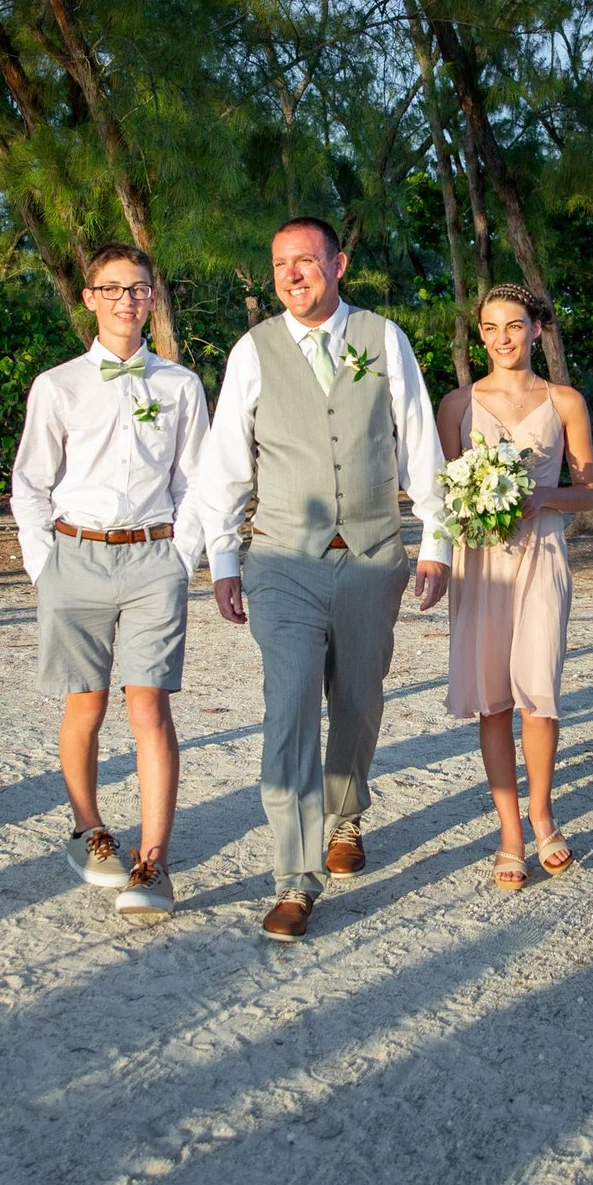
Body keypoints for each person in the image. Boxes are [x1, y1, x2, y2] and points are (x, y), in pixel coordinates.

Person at [189, 217, 451, 941]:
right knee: (291, 706)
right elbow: (226, 466)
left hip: (371, 556)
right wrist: (225, 557)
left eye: (306, 259)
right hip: (281, 560)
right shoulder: (253, 351)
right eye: (280, 263)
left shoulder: (383, 339)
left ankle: (347, 814)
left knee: (360, 702)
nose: (292, 273)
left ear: (340, 264)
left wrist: (439, 541)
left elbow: (418, 437)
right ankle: (294, 877)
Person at [9, 243, 209, 924]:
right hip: (76, 558)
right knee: (85, 705)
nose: (128, 300)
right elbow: (31, 482)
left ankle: (153, 858)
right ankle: (89, 827)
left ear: (154, 299)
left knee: (149, 706)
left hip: (154, 556)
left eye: (140, 289)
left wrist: (182, 557)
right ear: (89, 297)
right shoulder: (58, 385)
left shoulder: (180, 385)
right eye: (113, 288)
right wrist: (46, 566)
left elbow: (195, 482)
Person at [437, 285, 593, 891]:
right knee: (494, 696)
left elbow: (588, 491)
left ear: (536, 329)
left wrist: (541, 498)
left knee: (539, 691)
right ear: (479, 334)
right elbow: (443, 494)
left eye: (514, 325)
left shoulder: (565, 401)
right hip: (480, 561)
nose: (502, 338)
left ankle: (543, 815)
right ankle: (509, 832)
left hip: (542, 553)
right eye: (490, 327)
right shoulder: (457, 405)